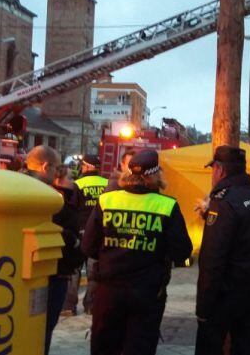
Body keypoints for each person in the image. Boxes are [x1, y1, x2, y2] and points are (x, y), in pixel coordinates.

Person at [83, 150, 192, 355]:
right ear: (155, 175)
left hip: (108, 290)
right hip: (147, 293)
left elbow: (88, 247)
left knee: (104, 347)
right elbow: (182, 252)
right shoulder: (167, 206)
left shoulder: (107, 200)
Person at [195, 146, 250, 355]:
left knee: (209, 347)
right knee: (245, 346)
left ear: (220, 170)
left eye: (213, 169)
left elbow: (212, 259)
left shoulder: (223, 202)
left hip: (225, 294)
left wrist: (203, 306)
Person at [25, 145, 82, 355]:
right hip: (50, 271)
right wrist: (74, 241)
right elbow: (59, 231)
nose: (59, 174)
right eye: (57, 168)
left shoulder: (17, 187)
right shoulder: (47, 197)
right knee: (42, 330)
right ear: (46, 166)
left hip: (24, 270)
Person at [63, 155, 108, 316]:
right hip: (100, 233)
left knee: (74, 270)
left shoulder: (78, 185)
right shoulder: (107, 184)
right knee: (94, 271)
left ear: (87, 167)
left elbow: (72, 208)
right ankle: (91, 305)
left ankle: (69, 306)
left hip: (81, 232)